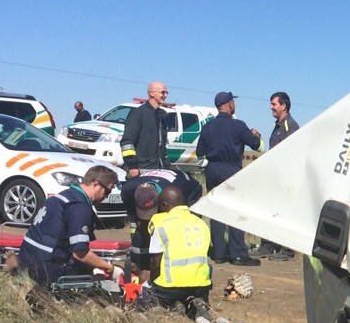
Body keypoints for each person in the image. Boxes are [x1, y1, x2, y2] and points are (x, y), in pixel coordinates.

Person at [17, 165, 122, 286]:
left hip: (26, 259)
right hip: (47, 266)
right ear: (95, 185)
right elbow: (80, 253)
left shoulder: (62, 196)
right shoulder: (80, 207)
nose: (106, 196)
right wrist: (110, 268)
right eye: (107, 191)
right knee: (97, 285)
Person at [196, 90, 263, 266]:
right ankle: (238, 254)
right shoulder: (239, 126)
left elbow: (200, 152)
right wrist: (256, 135)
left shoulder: (208, 127)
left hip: (212, 170)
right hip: (232, 170)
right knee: (236, 210)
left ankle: (219, 253)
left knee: (216, 211)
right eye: (233, 102)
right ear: (229, 104)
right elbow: (257, 146)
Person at [142, 184, 213, 323]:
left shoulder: (161, 224)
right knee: (190, 296)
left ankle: (171, 307)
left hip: (169, 287)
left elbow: (156, 263)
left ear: (164, 204)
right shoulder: (201, 223)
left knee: (142, 302)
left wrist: (152, 285)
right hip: (200, 285)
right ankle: (196, 308)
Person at [119, 167, 204, 279]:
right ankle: (140, 264)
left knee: (180, 232)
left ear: (162, 203)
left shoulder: (173, 193)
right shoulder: (128, 190)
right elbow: (136, 222)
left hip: (189, 190)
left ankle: (176, 267)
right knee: (138, 234)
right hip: (155, 185)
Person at [250, 91, 302, 261]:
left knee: (284, 213)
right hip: (274, 178)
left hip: (284, 179)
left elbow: (290, 153)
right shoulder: (278, 126)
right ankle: (268, 245)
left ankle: (287, 250)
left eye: (273, 104)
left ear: (283, 106)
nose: (270, 107)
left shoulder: (290, 127)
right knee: (269, 211)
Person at [120, 81, 170, 177]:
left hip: (159, 169)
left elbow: (162, 145)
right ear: (152, 93)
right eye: (163, 92)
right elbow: (127, 142)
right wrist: (132, 165)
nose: (165, 95)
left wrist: (166, 163)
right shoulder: (138, 114)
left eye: (166, 93)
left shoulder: (161, 116)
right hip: (141, 170)